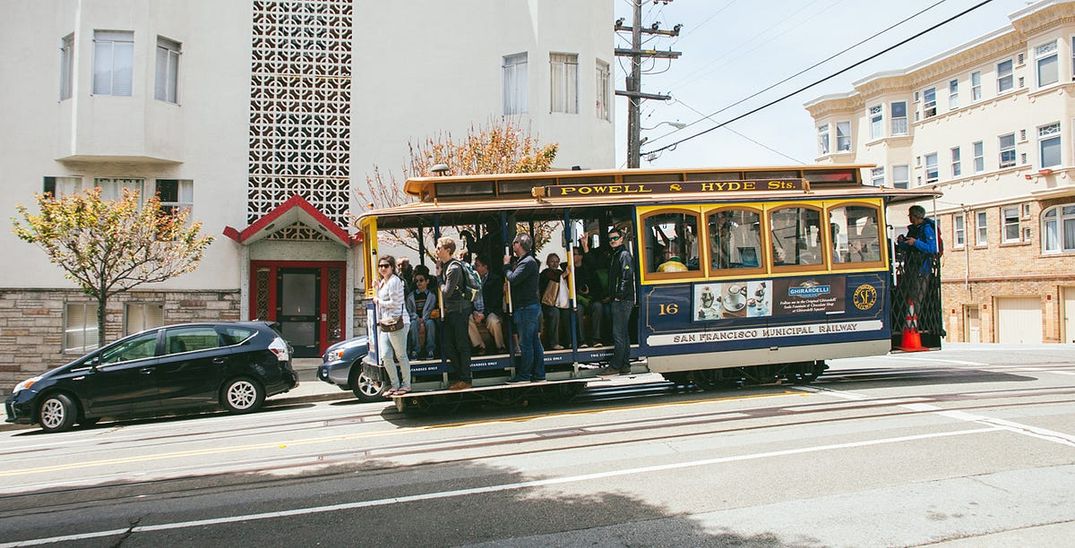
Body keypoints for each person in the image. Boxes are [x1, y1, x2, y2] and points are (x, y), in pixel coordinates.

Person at [504, 232, 544, 382]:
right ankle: (539, 374)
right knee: (534, 341)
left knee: (525, 343)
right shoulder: (527, 261)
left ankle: (525, 375)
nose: (512, 245)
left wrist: (506, 265)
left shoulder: (527, 262)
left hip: (526, 308)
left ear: (519, 245)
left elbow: (513, 279)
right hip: (529, 307)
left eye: (514, 243)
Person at [436, 237, 473, 390]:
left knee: (461, 344)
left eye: (439, 248)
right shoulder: (446, 266)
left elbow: (446, 293)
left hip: (459, 310)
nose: (437, 250)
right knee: (448, 345)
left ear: (448, 250)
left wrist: (438, 277)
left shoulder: (454, 268)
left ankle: (466, 379)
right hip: (452, 311)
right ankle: (461, 376)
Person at [598, 227, 635, 376]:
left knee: (618, 334)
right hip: (621, 299)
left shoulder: (623, 255)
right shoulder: (616, 254)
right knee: (624, 334)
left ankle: (615, 365)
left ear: (621, 239)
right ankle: (625, 364)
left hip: (623, 300)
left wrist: (618, 296)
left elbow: (626, 276)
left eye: (615, 238)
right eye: (610, 239)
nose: (612, 241)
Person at [373, 255, 410, 396]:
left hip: (397, 322)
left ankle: (406, 385)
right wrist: (376, 288)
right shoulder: (383, 282)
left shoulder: (394, 281)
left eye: (386, 266)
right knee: (386, 355)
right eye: (380, 266)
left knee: (401, 355)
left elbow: (395, 303)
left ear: (392, 267)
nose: (382, 268)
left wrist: (378, 301)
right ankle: (395, 385)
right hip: (386, 323)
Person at [897, 204, 939, 308]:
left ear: (916, 216)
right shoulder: (913, 229)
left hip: (922, 269)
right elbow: (910, 247)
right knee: (908, 295)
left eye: (910, 215)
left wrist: (916, 242)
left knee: (916, 297)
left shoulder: (927, 229)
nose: (910, 217)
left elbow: (932, 248)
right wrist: (902, 242)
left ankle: (914, 320)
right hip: (911, 267)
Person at [468, 255, 506, 354]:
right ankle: (480, 346)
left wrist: (484, 314)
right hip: (476, 311)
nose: (475, 268)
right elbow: (469, 299)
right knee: (467, 319)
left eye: (477, 265)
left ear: (485, 267)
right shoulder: (471, 281)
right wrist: (474, 312)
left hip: (491, 311)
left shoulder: (495, 280)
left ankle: (500, 347)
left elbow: (496, 301)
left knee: (493, 321)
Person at [540, 253, 571, 350]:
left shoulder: (559, 272)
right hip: (548, 305)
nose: (555, 264)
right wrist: (564, 275)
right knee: (555, 312)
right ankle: (554, 343)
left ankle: (569, 341)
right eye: (552, 261)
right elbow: (552, 280)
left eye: (557, 261)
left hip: (560, 303)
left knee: (567, 313)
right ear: (547, 263)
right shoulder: (545, 273)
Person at [409, 272, 437, 359]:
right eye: (416, 281)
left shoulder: (431, 296)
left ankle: (430, 350)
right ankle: (415, 350)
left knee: (430, 324)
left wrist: (423, 320)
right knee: (413, 324)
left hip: (426, 318)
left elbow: (430, 310)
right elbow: (409, 311)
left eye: (421, 280)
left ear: (427, 281)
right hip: (414, 319)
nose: (419, 283)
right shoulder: (411, 296)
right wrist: (417, 318)